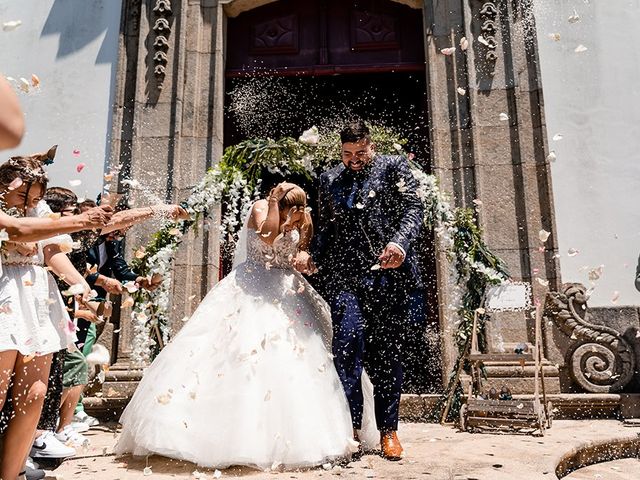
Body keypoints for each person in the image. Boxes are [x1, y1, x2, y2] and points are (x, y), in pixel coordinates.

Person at [115, 183, 375, 470]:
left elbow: (299, 253)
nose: (297, 213)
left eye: (299, 208)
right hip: (252, 286)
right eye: (292, 207)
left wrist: (306, 262)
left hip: (288, 287)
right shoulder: (261, 208)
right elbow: (267, 236)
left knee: (299, 358)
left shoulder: (302, 216)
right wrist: (276, 204)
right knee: (239, 353)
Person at [299, 120, 424, 460]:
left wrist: (399, 244)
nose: (353, 159)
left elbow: (414, 209)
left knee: (386, 355)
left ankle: (389, 432)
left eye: (360, 153)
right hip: (346, 279)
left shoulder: (394, 167)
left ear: (372, 147)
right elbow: (326, 227)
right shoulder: (329, 179)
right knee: (345, 349)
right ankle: (352, 430)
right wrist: (313, 255)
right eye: (346, 153)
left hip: (389, 277)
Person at [0, 156, 96, 480]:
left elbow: (52, 252)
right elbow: (18, 235)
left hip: (36, 296)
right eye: (22, 196)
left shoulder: (39, 211)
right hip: (4, 292)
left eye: (36, 197)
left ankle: (10, 475)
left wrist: (79, 282)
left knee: (35, 394)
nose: (30, 203)